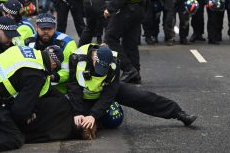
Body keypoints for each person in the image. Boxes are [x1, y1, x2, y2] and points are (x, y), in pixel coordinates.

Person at [67, 43, 198, 133]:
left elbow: (109, 93)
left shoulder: (114, 62)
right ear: (93, 57)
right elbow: (73, 88)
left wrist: (94, 115)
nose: (101, 72)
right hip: (83, 97)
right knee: (79, 124)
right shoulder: (77, 58)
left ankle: (179, 113)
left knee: (142, 97)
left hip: (104, 92)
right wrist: (78, 112)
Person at [25, 13, 77, 94]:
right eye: (43, 28)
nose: (46, 31)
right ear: (36, 27)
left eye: (49, 28)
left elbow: (69, 71)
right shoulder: (29, 42)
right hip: (35, 88)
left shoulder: (67, 43)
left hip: (59, 90)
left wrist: (49, 78)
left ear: (55, 27)